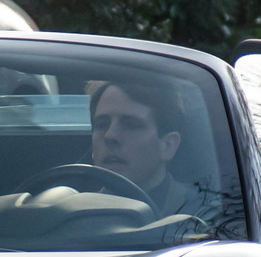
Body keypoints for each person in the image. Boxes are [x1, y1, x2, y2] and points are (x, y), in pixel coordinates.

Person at [89, 76, 209, 227]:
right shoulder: (67, 214)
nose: (110, 135)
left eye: (131, 125)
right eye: (102, 124)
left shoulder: (204, 217)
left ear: (168, 146)